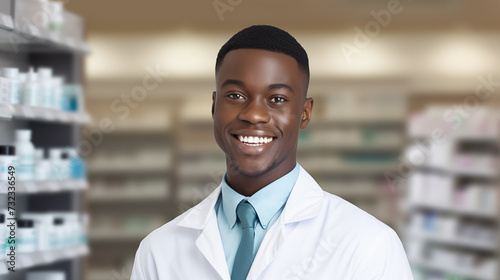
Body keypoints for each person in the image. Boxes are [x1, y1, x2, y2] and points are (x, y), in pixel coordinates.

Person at [131, 25, 413, 280]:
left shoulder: (368, 245)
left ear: (305, 113)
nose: (254, 115)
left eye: (277, 99)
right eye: (236, 96)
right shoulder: (158, 251)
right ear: (214, 106)